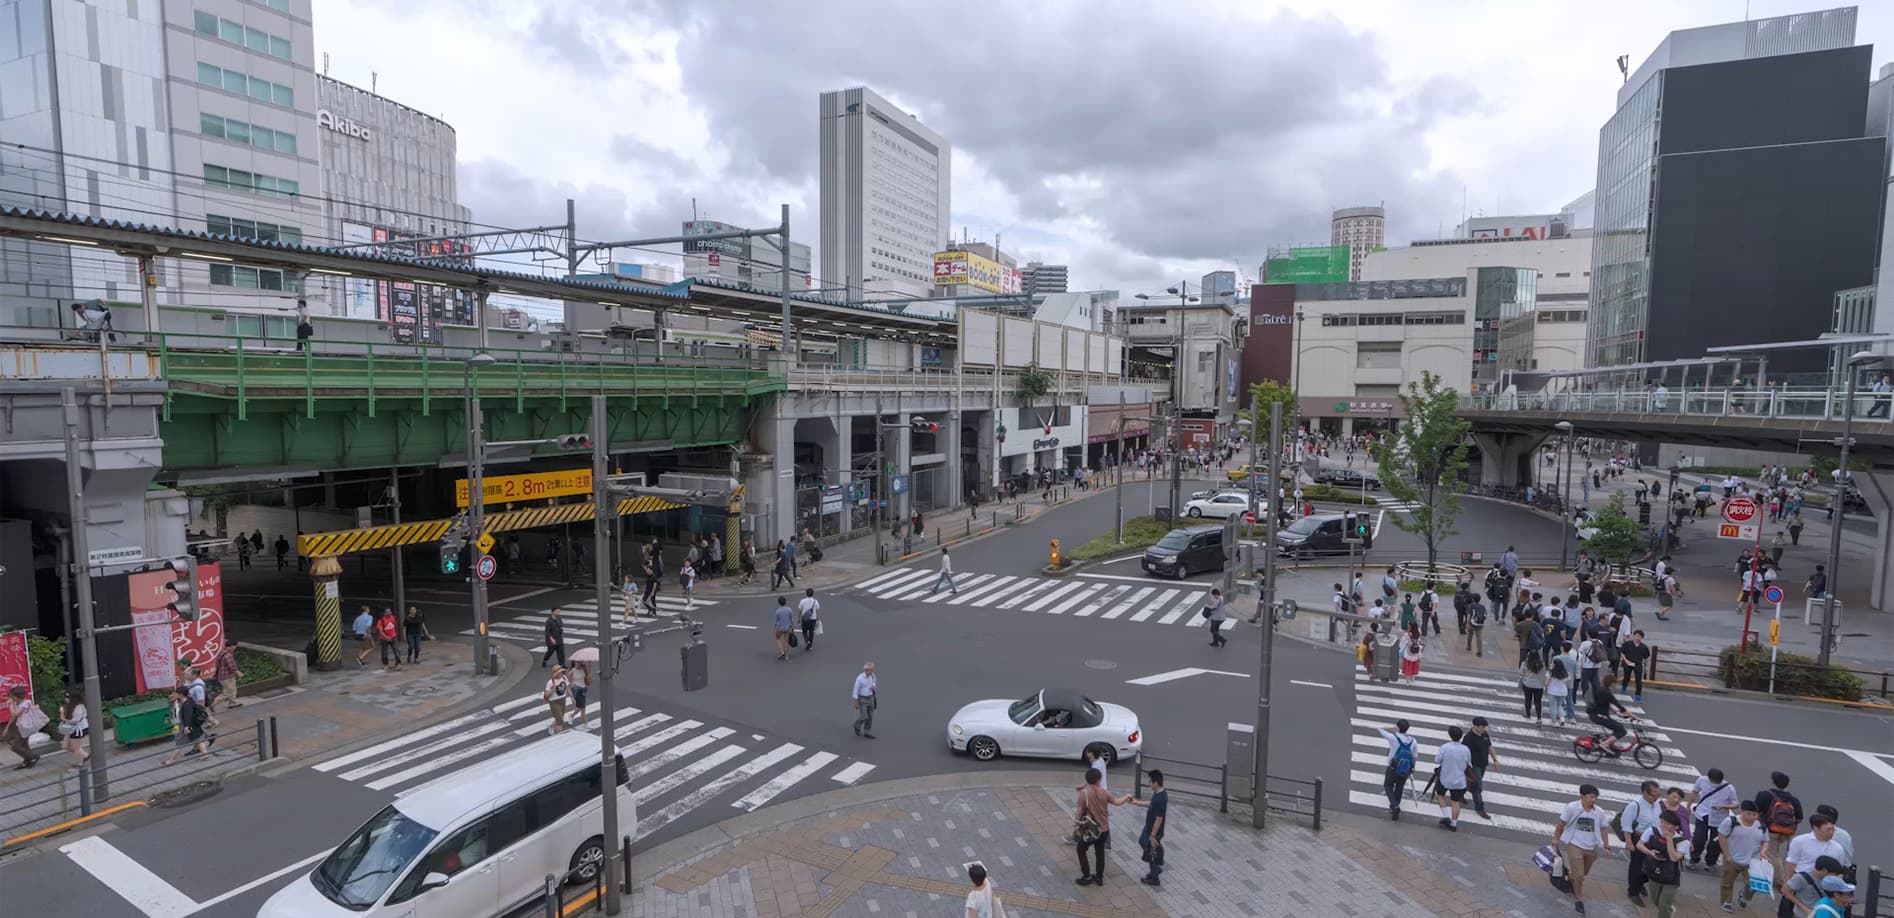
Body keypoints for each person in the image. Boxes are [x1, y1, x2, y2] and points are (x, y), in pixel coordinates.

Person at [1551, 783, 1613, 915]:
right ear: (1582, 796)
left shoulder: (1599, 812)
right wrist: (1556, 839)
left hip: (1591, 847)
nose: (1594, 800)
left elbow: (1604, 829)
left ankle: (1572, 879)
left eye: (1595, 797)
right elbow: (1561, 825)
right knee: (1579, 875)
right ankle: (1578, 898)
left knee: (1583, 873)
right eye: (1591, 797)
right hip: (1575, 844)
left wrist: (1606, 846)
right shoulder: (1572, 807)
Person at [1072, 768, 1123, 886]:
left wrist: (1077, 827)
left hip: (1091, 830)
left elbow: (1079, 812)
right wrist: (1127, 797)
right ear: (1098, 780)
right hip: (1104, 829)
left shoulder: (1083, 794)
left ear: (1087, 780)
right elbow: (1117, 802)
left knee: (1081, 849)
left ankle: (1086, 876)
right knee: (1100, 852)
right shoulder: (1104, 792)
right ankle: (1099, 877)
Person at [1636, 810, 1690, 918]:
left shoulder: (1683, 842)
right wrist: (1650, 852)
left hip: (1671, 877)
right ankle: (1669, 910)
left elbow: (1674, 858)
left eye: (1667, 823)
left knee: (1663, 904)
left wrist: (1669, 839)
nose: (1663, 826)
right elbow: (1639, 845)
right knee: (1655, 901)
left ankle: (1666, 911)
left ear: (1676, 827)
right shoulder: (1652, 831)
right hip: (1654, 872)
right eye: (1662, 822)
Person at [1716, 801, 1768, 911]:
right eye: (1749, 814)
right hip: (1732, 858)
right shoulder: (1731, 822)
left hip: (1752, 861)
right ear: (1742, 812)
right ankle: (1726, 901)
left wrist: (1763, 852)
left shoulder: (1761, 826)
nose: (1752, 817)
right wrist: (1727, 854)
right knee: (1727, 882)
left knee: (1752, 885)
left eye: (1755, 814)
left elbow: (1765, 841)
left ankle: (1744, 898)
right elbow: (1722, 836)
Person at [1622, 779, 1666, 907]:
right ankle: (1633, 892)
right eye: (1654, 795)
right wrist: (1629, 841)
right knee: (1637, 865)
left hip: (1654, 839)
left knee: (1654, 865)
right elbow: (1626, 825)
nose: (1656, 798)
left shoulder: (1657, 804)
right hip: (1639, 838)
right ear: (1644, 793)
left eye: (1658, 795)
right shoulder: (1635, 805)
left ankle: (1640, 882)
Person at [1756, 770, 1804, 885]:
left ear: (1773, 782)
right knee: (1780, 855)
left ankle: (1780, 881)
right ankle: (1777, 875)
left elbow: (1755, 811)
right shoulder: (1793, 799)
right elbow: (1800, 817)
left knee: (1774, 856)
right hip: (1787, 833)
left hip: (1770, 831)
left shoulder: (1764, 795)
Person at [1131, 768, 1168, 886]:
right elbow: (1151, 804)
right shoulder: (1158, 794)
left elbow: (1159, 818)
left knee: (1152, 852)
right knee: (1143, 843)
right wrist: (1137, 802)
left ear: (1156, 783)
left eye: (1150, 782)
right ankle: (1156, 868)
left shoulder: (1160, 799)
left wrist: (1153, 836)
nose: (1149, 784)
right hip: (1149, 827)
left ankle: (1154, 877)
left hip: (1153, 831)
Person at [1432, 724, 1472, 831]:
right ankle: (1453, 824)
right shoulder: (1465, 749)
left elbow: (1437, 760)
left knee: (1440, 795)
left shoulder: (1445, 747)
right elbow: (1469, 763)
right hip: (1459, 780)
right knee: (1455, 802)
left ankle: (1445, 816)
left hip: (1445, 778)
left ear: (1450, 735)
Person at [1376, 719, 1418, 820]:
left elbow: (1379, 728)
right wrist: (1412, 768)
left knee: (1388, 785)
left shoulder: (1393, 737)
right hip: (1406, 768)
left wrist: (1392, 729)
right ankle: (1395, 806)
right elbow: (1414, 756)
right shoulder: (1413, 741)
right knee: (1399, 787)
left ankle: (1394, 805)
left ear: (1398, 727)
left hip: (1393, 767)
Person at [1587, 672, 1637, 756]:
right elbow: (1620, 707)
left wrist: (1616, 713)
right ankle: (1603, 745)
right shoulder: (1606, 693)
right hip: (1599, 716)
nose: (1615, 685)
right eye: (1615, 683)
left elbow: (1607, 703)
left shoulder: (1602, 689)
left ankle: (1611, 748)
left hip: (1596, 714)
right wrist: (1635, 717)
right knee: (1622, 731)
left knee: (1618, 726)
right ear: (1611, 683)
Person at [159, 685, 209, 766]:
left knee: (179, 743)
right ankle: (205, 754)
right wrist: (173, 699)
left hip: (187, 726)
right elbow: (176, 703)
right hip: (194, 725)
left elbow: (187, 717)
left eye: (176, 694)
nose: (174, 695)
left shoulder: (186, 705)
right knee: (198, 739)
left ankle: (171, 760)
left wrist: (186, 727)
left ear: (181, 694)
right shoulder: (189, 699)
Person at [1463, 716, 1499, 821]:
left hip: (1483, 764)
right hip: (1474, 766)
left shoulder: (1484, 734)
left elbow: (1489, 746)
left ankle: (1461, 792)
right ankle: (1480, 808)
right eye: (1482, 727)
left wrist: (1495, 759)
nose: (1484, 729)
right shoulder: (1468, 738)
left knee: (1472, 783)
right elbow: (1464, 752)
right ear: (1475, 726)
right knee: (1478, 787)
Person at [4, 686, 41, 769]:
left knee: (15, 747)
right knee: (24, 745)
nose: (12, 699)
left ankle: (34, 756)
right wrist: (7, 727)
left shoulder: (25, 704)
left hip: (25, 728)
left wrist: (10, 705)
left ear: (17, 697)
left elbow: (14, 714)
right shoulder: (23, 703)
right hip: (22, 727)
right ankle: (27, 761)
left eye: (12, 697)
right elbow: (13, 717)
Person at [209, 640, 244, 715]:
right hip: (227, 677)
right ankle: (213, 704)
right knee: (227, 692)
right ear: (231, 646)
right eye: (234, 646)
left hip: (223, 676)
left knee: (232, 690)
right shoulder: (228, 656)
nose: (235, 648)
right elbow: (232, 667)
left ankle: (232, 703)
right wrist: (238, 673)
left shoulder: (222, 653)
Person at [56, 690, 88, 769]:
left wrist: (62, 715)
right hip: (72, 729)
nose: (66, 699)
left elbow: (74, 721)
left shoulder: (78, 707)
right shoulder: (72, 706)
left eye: (67, 697)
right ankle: (85, 755)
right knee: (65, 746)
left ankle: (80, 764)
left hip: (78, 730)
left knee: (75, 748)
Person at [1618, 631, 1649, 701]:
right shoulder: (1627, 644)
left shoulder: (1644, 647)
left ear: (1642, 638)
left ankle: (1638, 695)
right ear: (1633, 636)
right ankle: (1624, 685)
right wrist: (1625, 660)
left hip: (1638, 664)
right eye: (1636, 636)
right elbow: (1622, 652)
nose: (1638, 638)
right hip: (1628, 663)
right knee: (1627, 677)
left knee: (1638, 680)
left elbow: (1646, 658)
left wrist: (1646, 667)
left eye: (1640, 637)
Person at [1519, 653, 1548, 724]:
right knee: (1538, 701)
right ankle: (1539, 718)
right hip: (1539, 686)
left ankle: (1528, 714)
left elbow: (1521, 673)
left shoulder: (1525, 663)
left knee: (1528, 699)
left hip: (1528, 684)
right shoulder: (1542, 664)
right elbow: (1544, 674)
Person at [851, 662, 877, 739]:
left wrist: (873, 686)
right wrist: (855, 703)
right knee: (864, 716)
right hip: (862, 699)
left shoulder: (872, 675)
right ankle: (856, 725)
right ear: (866, 670)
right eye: (871, 670)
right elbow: (855, 690)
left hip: (871, 697)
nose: (873, 671)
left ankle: (867, 732)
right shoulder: (860, 678)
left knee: (870, 716)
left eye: (873, 669)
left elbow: (874, 681)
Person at [542, 665, 570, 735]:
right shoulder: (550, 682)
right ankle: (559, 736)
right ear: (556, 674)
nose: (561, 673)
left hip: (563, 699)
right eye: (559, 672)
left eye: (561, 672)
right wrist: (552, 690)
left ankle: (551, 726)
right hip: (554, 702)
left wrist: (572, 697)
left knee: (560, 717)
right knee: (560, 721)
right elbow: (546, 695)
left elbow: (567, 687)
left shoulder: (564, 677)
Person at [567, 659, 592, 729]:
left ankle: (571, 715)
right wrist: (571, 696)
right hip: (576, 690)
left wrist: (589, 671)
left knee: (580, 707)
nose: (578, 663)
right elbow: (568, 684)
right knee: (582, 708)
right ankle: (585, 722)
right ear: (574, 662)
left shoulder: (584, 669)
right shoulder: (572, 671)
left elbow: (588, 681)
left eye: (580, 662)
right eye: (577, 662)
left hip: (583, 690)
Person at [773, 597, 795, 661]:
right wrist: (792, 628)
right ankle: (787, 656)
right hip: (787, 628)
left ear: (779, 603)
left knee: (777, 638)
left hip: (780, 628)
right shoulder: (789, 610)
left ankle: (781, 651)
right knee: (786, 641)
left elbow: (776, 622)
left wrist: (774, 629)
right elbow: (792, 620)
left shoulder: (777, 611)